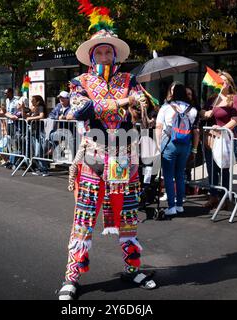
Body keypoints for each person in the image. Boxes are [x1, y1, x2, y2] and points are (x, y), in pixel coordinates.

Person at [57, 4, 156, 300]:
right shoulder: (80, 82)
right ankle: (71, 277)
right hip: (93, 159)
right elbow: (79, 110)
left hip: (126, 157)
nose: (104, 56)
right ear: (91, 56)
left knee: (128, 217)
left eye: (108, 52)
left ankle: (133, 268)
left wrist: (136, 102)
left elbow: (144, 105)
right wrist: (121, 103)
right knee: (84, 219)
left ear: (115, 55)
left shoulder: (130, 80)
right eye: (99, 52)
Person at [200, 70, 237, 210]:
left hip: (224, 139)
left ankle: (226, 197)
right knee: (211, 169)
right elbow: (202, 112)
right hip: (210, 139)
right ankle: (213, 197)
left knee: (223, 169)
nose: (222, 83)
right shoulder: (212, 98)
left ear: (229, 83)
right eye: (219, 81)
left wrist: (221, 130)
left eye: (224, 81)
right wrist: (206, 113)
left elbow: (235, 120)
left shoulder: (234, 98)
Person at [156, 82, 199, 217]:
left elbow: (158, 127)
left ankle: (171, 206)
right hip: (185, 144)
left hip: (169, 143)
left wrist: (158, 146)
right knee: (180, 174)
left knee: (168, 176)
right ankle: (180, 205)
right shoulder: (193, 109)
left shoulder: (166, 107)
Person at [26, 95, 49, 176]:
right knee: (36, 152)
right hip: (34, 132)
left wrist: (31, 118)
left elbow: (41, 116)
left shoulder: (40, 106)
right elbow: (26, 116)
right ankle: (40, 168)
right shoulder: (34, 108)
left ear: (38, 101)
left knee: (39, 152)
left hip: (40, 132)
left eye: (33, 100)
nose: (31, 101)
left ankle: (45, 169)